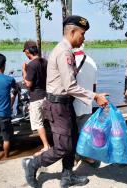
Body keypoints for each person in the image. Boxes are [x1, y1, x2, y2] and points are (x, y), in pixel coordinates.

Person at [22, 15, 108, 188]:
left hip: (65, 104)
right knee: (62, 147)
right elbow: (70, 86)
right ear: (73, 31)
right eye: (82, 34)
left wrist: (94, 95)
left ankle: (67, 176)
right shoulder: (64, 52)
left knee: (72, 140)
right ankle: (33, 164)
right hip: (57, 106)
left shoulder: (64, 50)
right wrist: (95, 96)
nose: (83, 38)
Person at [22, 40, 50, 155]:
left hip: (36, 98)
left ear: (28, 51)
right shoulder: (45, 61)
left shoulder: (32, 65)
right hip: (46, 96)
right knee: (45, 121)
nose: (25, 54)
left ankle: (46, 146)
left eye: (25, 52)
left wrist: (24, 71)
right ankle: (51, 142)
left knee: (38, 123)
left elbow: (28, 84)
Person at [73, 46, 99, 166]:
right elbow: (94, 87)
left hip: (72, 104)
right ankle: (86, 155)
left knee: (72, 132)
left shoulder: (69, 60)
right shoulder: (92, 61)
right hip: (87, 103)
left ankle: (74, 157)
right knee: (85, 132)